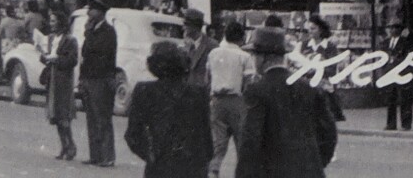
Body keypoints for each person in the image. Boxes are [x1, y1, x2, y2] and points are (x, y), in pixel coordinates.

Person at [236, 24, 337, 178]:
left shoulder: (257, 90)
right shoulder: (309, 87)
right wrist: (317, 162)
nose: (253, 60)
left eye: (254, 55)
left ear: (263, 57)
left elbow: (250, 141)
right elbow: (329, 133)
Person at [123, 41, 212, 178]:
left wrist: (150, 155)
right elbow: (207, 139)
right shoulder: (199, 93)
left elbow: (133, 135)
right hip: (194, 166)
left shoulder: (144, 91)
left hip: (160, 165)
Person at [203, 21, 253, 178]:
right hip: (237, 101)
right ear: (242, 37)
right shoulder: (244, 56)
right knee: (241, 142)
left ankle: (213, 172)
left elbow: (207, 79)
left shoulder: (213, 53)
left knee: (218, 143)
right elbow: (249, 82)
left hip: (217, 100)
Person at [79, 1, 121, 167]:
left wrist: (89, 34)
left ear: (101, 12)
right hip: (90, 78)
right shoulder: (91, 30)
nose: (89, 12)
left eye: (92, 10)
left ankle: (107, 156)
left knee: (102, 118)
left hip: (102, 79)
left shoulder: (108, 31)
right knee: (91, 118)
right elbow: (85, 54)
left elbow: (101, 53)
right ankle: (95, 155)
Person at [45, 8, 81, 161]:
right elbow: (47, 57)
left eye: (53, 21)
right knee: (56, 116)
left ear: (60, 22)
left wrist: (55, 60)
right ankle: (64, 146)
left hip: (63, 80)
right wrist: (44, 56)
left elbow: (72, 60)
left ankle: (70, 146)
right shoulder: (52, 38)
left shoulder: (70, 40)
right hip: (52, 78)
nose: (51, 24)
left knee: (63, 115)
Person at [381, 21, 413, 131]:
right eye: (390, 28)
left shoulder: (405, 42)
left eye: (394, 28)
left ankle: (406, 124)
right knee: (390, 99)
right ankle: (391, 124)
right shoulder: (386, 42)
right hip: (390, 74)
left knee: (404, 99)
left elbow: (408, 58)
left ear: (399, 30)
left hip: (402, 74)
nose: (391, 30)